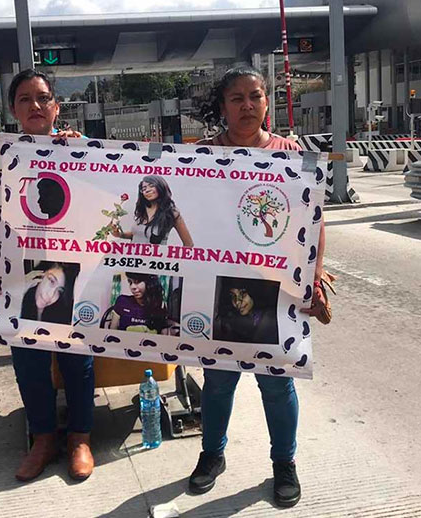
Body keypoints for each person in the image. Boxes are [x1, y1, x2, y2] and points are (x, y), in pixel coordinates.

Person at [188, 66, 329, 508]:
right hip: (219, 286)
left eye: (255, 96)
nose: (247, 106)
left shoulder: (292, 154)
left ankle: (283, 464)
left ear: (267, 101)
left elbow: (315, 220)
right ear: (223, 105)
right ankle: (212, 456)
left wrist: (314, 273)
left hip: (276, 288)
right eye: (236, 98)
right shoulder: (202, 155)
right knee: (217, 380)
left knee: (276, 383)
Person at [0, 69, 95, 483]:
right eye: (25, 99)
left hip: (76, 269)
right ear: (13, 110)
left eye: (43, 98)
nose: (35, 106)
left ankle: (79, 438)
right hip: (19, 271)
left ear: (56, 106)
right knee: (28, 358)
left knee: (78, 356)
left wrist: (85, 156)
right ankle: (42, 438)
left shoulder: (79, 149)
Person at [111, 175, 194, 246]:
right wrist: (119, 234)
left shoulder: (172, 213)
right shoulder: (142, 209)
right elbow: (137, 235)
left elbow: (189, 244)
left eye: (151, 186)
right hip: (134, 260)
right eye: (144, 188)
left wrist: (174, 262)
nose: (147, 190)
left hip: (154, 262)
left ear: (161, 187)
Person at [104, 273, 178, 336]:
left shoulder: (159, 305)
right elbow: (113, 330)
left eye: (137, 282)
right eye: (130, 282)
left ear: (149, 283)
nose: (132, 287)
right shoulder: (122, 301)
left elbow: (162, 336)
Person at [213, 278, 279, 345]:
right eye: (233, 296)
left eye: (243, 294)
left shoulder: (273, 317)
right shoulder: (229, 326)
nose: (237, 302)